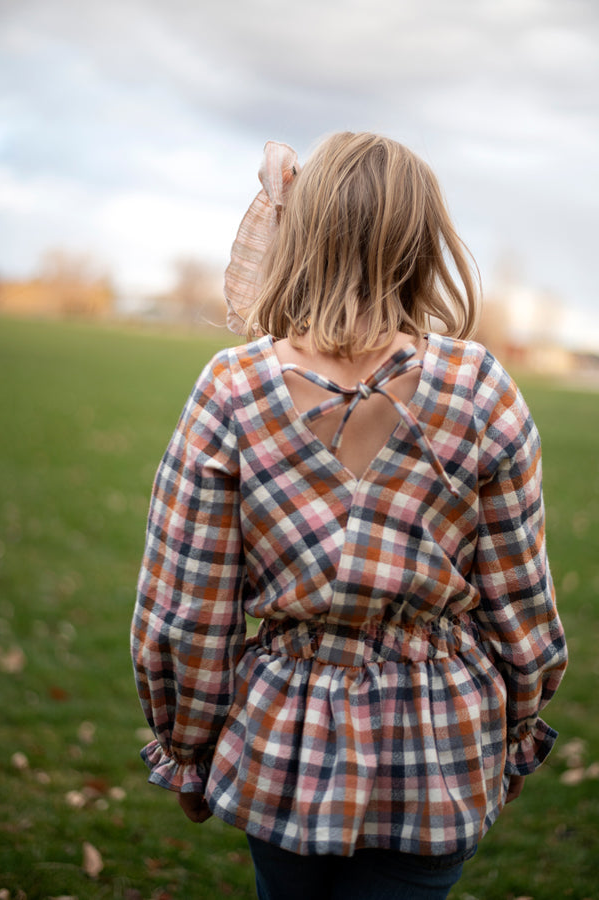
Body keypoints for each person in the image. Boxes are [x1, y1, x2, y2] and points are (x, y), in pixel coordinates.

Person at [131, 132, 567, 900]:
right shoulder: (478, 385)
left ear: (299, 233)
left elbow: (184, 610)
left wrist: (187, 748)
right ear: (423, 243)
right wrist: (518, 731)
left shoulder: (232, 387)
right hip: (441, 749)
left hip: (283, 748)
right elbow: (520, 600)